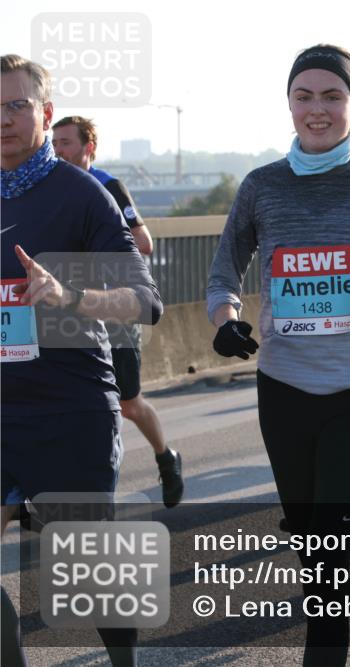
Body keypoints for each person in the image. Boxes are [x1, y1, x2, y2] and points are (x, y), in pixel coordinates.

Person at [206, 44, 350, 667]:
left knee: (327, 557)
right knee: (318, 555)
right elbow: (222, 273)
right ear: (289, 105)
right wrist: (226, 321)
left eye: (332, 96)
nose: (318, 109)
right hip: (283, 389)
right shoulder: (262, 186)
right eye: (304, 96)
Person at [1, 53, 163, 667]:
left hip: (68, 412)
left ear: (43, 113)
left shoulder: (82, 195)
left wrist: (70, 295)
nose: (3, 120)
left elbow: (145, 303)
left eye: (16, 105)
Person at [51, 115, 183, 508]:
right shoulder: (49, 187)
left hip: (114, 313)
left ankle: (166, 457)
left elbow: (144, 243)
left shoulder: (108, 187)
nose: (58, 150)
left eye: (66, 143)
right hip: (66, 314)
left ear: (88, 148)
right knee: (56, 400)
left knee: (127, 403)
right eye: (54, 143)